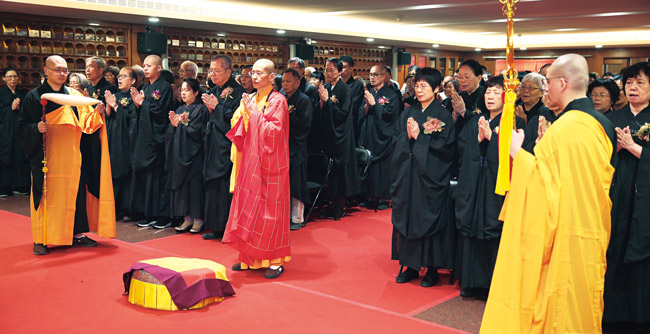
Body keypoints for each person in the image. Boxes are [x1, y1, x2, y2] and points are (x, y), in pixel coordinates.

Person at [480, 54, 616, 334]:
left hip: (565, 234)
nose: (544, 90)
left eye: (548, 83)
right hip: (590, 230)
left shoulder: (568, 129)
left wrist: (518, 151)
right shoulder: (599, 122)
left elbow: (545, 187)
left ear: (563, 83)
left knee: (559, 306)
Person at [17, 55, 116, 255]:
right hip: (48, 159)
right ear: (46, 71)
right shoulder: (35, 97)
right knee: (45, 196)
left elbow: (87, 122)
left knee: (76, 194)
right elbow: (21, 126)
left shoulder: (73, 95)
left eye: (65, 70)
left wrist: (98, 112)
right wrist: (35, 128)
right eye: (57, 70)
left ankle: (76, 233)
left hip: (72, 158)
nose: (62, 73)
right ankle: (42, 238)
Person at [455, 76, 525, 299]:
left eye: (496, 93)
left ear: (507, 97)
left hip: (496, 188)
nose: (490, 97)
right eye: (487, 93)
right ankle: (469, 280)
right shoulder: (475, 120)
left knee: (494, 232)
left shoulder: (514, 124)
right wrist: (477, 139)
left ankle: (491, 283)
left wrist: (491, 141)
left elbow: (516, 158)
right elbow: (462, 151)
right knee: (471, 230)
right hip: (475, 185)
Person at [224, 59, 290, 279]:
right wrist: (244, 116)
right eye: (253, 72)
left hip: (271, 165)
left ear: (271, 77)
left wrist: (254, 115)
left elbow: (274, 132)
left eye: (260, 73)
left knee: (270, 213)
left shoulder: (278, 100)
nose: (254, 77)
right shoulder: (251, 98)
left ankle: (275, 261)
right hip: (251, 162)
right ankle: (250, 259)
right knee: (250, 209)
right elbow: (239, 126)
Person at [390, 67, 455, 287]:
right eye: (417, 85)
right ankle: (410, 266)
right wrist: (407, 138)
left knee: (429, 217)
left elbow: (445, 148)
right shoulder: (408, 112)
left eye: (424, 86)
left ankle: (432, 268)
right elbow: (396, 139)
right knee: (408, 216)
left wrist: (419, 138)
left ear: (436, 89)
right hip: (408, 175)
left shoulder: (442, 114)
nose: (419, 90)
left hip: (429, 178)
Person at [603, 61, 650, 331]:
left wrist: (635, 148)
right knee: (614, 247)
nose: (633, 87)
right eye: (629, 83)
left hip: (644, 198)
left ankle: (641, 315)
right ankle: (613, 311)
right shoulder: (613, 118)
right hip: (616, 195)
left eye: (640, 83)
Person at [201, 55, 244, 240]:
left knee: (225, 187)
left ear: (228, 71)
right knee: (213, 186)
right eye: (210, 71)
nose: (212, 74)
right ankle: (215, 226)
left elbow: (234, 121)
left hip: (227, 147)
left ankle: (228, 227)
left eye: (216, 71)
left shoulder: (238, 92)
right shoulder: (216, 90)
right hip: (213, 144)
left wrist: (217, 108)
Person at [131, 55, 174, 229]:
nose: (146, 68)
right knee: (147, 177)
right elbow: (142, 110)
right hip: (146, 138)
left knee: (159, 177)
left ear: (158, 68)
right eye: (144, 65)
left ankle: (162, 215)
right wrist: (138, 104)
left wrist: (143, 103)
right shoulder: (146, 87)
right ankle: (148, 213)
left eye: (149, 65)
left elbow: (160, 110)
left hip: (158, 138)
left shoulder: (164, 87)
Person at [318, 57, 359, 217]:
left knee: (340, 171)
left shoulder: (345, 89)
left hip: (341, 136)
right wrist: (322, 103)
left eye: (332, 70)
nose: (328, 73)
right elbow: (321, 111)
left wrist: (328, 101)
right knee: (329, 170)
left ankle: (340, 206)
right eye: (326, 70)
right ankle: (329, 202)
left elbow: (343, 114)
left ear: (340, 71)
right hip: (329, 134)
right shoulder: (326, 87)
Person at [166, 78, 208, 234]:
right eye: (181, 89)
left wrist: (179, 127)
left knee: (195, 187)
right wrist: (173, 127)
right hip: (179, 154)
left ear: (196, 92)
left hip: (194, 154)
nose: (183, 93)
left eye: (187, 90)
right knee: (183, 187)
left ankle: (198, 219)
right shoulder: (180, 108)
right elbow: (172, 131)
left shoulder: (201, 109)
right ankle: (187, 217)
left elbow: (198, 132)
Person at [359, 65, 398, 210]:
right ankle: (370, 196)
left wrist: (376, 105)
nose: (372, 78)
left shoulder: (391, 95)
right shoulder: (371, 93)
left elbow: (391, 115)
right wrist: (368, 106)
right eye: (370, 75)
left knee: (383, 168)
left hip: (384, 136)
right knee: (370, 166)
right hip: (371, 133)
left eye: (376, 75)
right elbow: (364, 113)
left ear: (383, 76)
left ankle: (383, 198)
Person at [281, 69, 313, 231]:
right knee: (285, 183)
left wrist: (287, 116)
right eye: (283, 81)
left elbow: (305, 123)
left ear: (297, 82)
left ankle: (297, 218)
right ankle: (284, 216)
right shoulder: (282, 98)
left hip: (298, 146)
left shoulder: (303, 100)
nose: (284, 85)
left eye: (288, 81)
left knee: (297, 183)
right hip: (283, 146)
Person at [104, 67, 137, 221]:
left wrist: (115, 106)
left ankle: (128, 209)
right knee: (113, 170)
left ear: (133, 81)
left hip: (127, 140)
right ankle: (114, 207)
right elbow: (108, 118)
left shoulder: (133, 97)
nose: (120, 79)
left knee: (126, 172)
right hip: (113, 138)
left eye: (124, 76)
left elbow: (132, 118)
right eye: (119, 76)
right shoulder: (115, 95)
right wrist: (107, 106)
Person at [0, 68, 29, 198]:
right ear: (3, 78)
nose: (12, 79)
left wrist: (19, 107)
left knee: (20, 155)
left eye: (15, 76)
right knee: (6, 156)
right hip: (5, 131)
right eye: (9, 76)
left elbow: (27, 112)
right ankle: (4, 187)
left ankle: (20, 185)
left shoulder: (21, 93)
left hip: (18, 130)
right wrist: (10, 109)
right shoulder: (1, 93)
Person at [339, 55, 365, 143]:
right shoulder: (335, 85)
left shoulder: (357, 85)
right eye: (339, 67)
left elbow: (354, 106)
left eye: (344, 67)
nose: (341, 70)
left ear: (351, 69)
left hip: (350, 124)